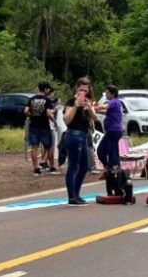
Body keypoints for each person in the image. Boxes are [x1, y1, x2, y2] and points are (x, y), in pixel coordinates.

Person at [63, 77, 98, 206]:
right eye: (81, 89)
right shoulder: (72, 101)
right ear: (76, 88)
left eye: (86, 89)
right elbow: (66, 120)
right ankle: (71, 196)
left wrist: (89, 107)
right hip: (73, 134)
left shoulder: (88, 102)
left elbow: (95, 118)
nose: (84, 91)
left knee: (84, 167)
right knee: (73, 166)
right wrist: (76, 106)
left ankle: (76, 194)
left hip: (83, 136)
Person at [25, 81, 58, 176]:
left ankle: (35, 169)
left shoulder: (31, 99)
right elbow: (48, 113)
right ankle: (52, 167)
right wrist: (54, 121)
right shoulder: (47, 100)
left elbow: (26, 111)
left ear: (38, 88)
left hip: (33, 126)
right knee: (49, 146)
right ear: (46, 89)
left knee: (34, 147)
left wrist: (32, 116)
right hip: (44, 126)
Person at [94, 85, 123, 173]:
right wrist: (95, 111)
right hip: (112, 131)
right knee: (103, 151)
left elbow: (104, 107)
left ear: (112, 94)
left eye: (107, 92)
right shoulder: (116, 103)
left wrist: (91, 108)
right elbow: (106, 111)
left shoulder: (114, 102)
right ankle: (109, 169)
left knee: (112, 152)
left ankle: (114, 170)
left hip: (113, 131)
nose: (106, 94)